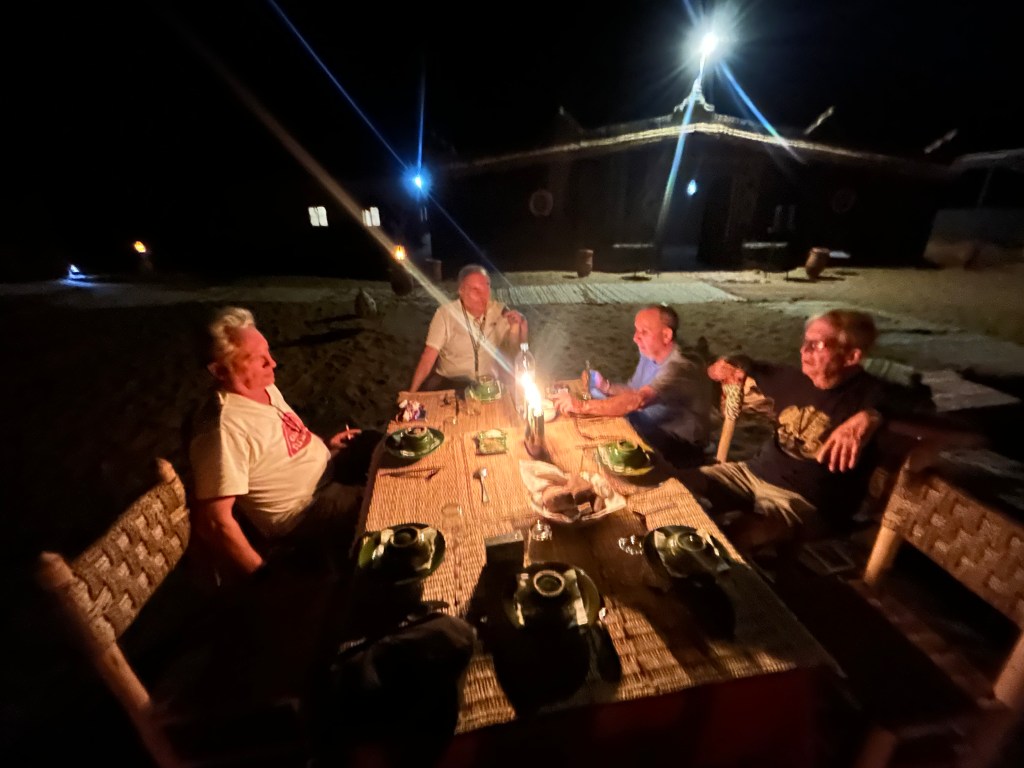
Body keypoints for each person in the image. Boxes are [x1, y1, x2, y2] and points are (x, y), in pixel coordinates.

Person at [189, 306, 379, 576]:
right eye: (259, 360)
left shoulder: (263, 387)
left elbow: (279, 441)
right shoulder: (223, 428)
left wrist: (324, 446)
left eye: (268, 353)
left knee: (381, 444)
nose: (273, 363)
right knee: (386, 499)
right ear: (220, 370)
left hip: (326, 471)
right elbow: (215, 520)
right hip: (306, 509)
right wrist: (263, 577)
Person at [680, 309, 886, 551]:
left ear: (851, 356)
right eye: (805, 342)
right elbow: (748, 365)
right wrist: (733, 364)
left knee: (733, 537)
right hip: (750, 474)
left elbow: (918, 408)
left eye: (817, 345)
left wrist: (872, 415)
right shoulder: (792, 379)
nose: (804, 351)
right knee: (674, 486)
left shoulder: (873, 395)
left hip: (800, 500)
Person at [552, 304, 712, 469]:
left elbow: (638, 400)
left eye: (644, 332)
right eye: (636, 330)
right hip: (647, 427)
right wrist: (605, 386)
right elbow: (634, 391)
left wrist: (580, 406)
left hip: (677, 446)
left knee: (595, 453)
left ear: (666, 335)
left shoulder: (677, 367)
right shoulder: (650, 354)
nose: (635, 338)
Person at [409, 264, 527, 392]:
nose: (483, 295)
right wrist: (411, 393)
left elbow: (516, 350)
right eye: (475, 290)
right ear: (461, 291)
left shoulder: (499, 312)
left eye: (486, 288)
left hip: (487, 383)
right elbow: (428, 357)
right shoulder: (445, 314)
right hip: (451, 381)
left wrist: (519, 326)